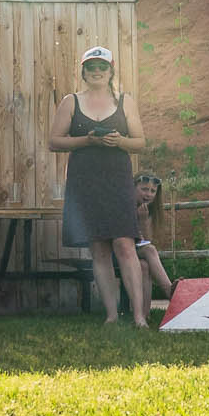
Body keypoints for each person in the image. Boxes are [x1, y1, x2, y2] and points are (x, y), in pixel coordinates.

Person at [48, 46, 150, 327]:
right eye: (91, 67)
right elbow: (54, 141)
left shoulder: (125, 101)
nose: (96, 72)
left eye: (102, 67)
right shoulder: (71, 102)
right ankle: (111, 315)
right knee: (99, 248)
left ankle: (140, 317)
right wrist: (87, 141)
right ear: (83, 71)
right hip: (84, 181)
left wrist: (119, 142)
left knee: (125, 244)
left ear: (110, 71)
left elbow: (140, 141)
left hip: (117, 179)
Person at [134, 172, 174, 299]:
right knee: (150, 250)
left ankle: (145, 316)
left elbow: (147, 241)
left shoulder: (147, 210)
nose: (148, 194)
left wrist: (143, 221)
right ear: (133, 188)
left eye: (153, 191)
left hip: (134, 250)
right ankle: (170, 291)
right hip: (119, 251)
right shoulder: (126, 206)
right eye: (144, 189)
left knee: (144, 266)